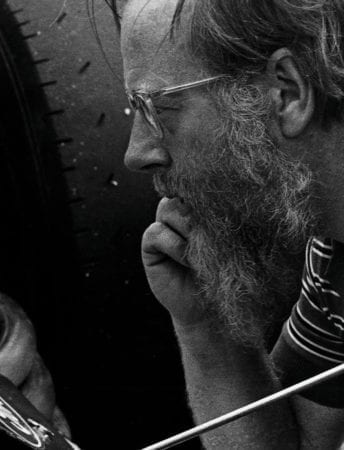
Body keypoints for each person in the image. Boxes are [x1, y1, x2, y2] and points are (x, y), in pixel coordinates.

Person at [116, 0, 344, 448]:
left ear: (286, 91)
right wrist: (206, 327)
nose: (137, 153)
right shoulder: (331, 250)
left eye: (156, 107)